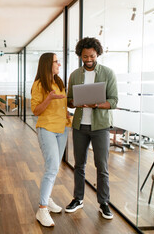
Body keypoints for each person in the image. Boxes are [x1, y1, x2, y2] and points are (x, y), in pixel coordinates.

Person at [65, 37, 118, 220]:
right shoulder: (75, 75)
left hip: (100, 126)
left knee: (101, 166)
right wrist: (76, 102)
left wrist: (97, 104)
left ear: (97, 54)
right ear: (80, 55)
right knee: (79, 165)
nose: (88, 59)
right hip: (80, 125)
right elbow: (69, 101)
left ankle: (104, 202)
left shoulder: (108, 73)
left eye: (92, 56)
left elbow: (113, 101)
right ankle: (78, 199)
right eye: (85, 56)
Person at [31, 52, 71, 227]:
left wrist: (68, 115)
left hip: (62, 128)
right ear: (47, 64)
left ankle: (47, 198)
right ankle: (42, 208)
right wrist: (49, 98)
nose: (59, 64)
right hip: (46, 128)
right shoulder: (39, 84)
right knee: (52, 166)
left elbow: (62, 106)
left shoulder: (59, 82)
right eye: (56, 62)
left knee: (53, 168)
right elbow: (36, 111)